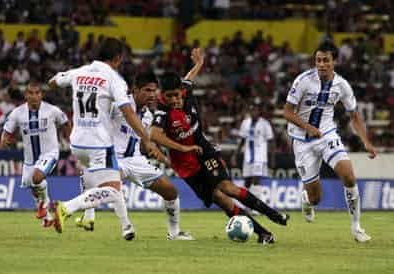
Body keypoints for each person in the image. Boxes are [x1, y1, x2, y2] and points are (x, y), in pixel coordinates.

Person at [151, 48, 289, 245]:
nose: (174, 100)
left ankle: (274, 214)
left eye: (176, 95)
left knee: (227, 187)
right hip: (186, 166)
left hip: (204, 151)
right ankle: (263, 233)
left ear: (181, 90)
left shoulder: (186, 90)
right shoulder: (163, 112)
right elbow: (154, 134)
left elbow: (190, 77)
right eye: (169, 96)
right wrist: (183, 149)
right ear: (162, 95)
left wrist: (199, 64)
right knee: (221, 199)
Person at [48, 37, 161, 234]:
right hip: (98, 143)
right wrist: (146, 137)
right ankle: (65, 207)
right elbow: (128, 112)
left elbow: (53, 82)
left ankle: (122, 226)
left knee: (108, 184)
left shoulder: (79, 72)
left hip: (77, 142)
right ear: (117, 58)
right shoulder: (114, 79)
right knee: (112, 190)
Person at [76, 71, 194, 240]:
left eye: (154, 91)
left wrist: (161, 156)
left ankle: (174, 233)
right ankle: (95, 216)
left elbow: (143, 144)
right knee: (105, 183)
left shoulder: (147, 115)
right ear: (135, 90)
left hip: (137, 160)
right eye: (147, 90)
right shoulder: (117, 106)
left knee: (170, 191)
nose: (152, 95)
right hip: (115, 158)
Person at [283, 42, 377, 242]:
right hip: (302, 141)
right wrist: (307, 128)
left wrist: (366, 142)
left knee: (349, 177)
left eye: (326, 60)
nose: (321, 64)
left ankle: (356, 227)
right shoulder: (303, 81)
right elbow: (287, 112)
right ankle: (306, 199)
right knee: (316, 198)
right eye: (318, 60)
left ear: (335, 61)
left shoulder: (342, 85)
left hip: (327, 135)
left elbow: (354, 115)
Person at [0, 82, 71, 227]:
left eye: (37, 93)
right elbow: (7, 131)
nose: (34, 96)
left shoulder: (52, 110)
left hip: (49, 153)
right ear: (26, 95)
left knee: (37, 177)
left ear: (41, 95)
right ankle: (49, 217)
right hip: (29, 159)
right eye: (31, 93)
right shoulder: (17, 113)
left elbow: (66, 123)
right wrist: (4, 140)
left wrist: (70, 139)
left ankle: (44, 205)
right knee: (32, 185)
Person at [231, 103, 275, 211]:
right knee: (247, 181)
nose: (254, 112)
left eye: (256, 110)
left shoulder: (265, 124)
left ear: (259, 111)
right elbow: (242, 140)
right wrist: (235, 155)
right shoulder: (245, 123)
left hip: (260, 157)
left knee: (256, 179)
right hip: (248, 157)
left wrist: (272, 158)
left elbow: (271, 142)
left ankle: (257, 207)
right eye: (252, 110)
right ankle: (245, 204)